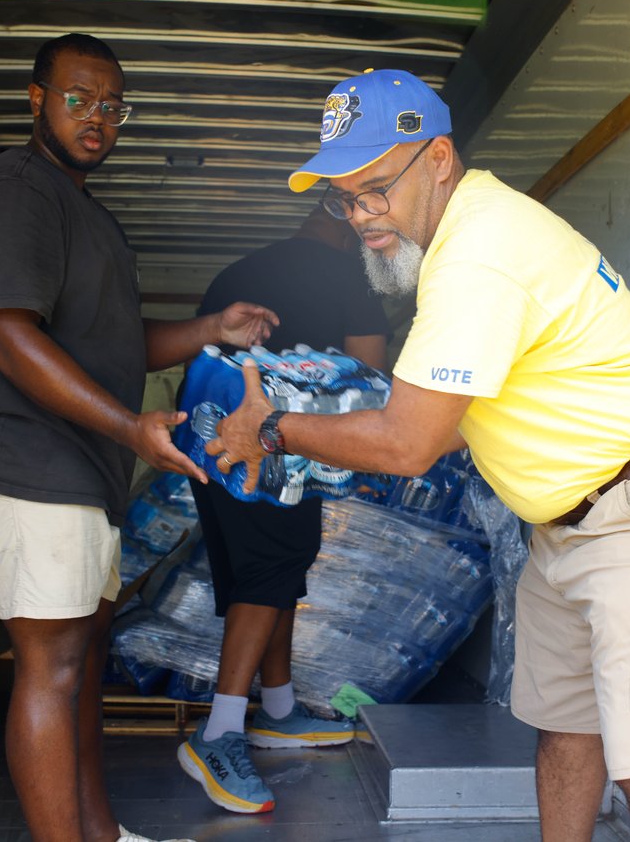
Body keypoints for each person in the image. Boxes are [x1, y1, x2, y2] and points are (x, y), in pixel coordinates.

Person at [206, 69, 630, 842]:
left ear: (437, 159)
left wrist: (275, 432)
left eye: (376, 188)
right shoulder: (463, 242)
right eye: (345, 197)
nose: (364, 216)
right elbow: (451, 421)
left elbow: (410, 442)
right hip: (573, 524)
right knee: (565, 733)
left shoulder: (478, 254)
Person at [0, 33, 277, 842]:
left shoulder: (81, 210)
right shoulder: (12, 195)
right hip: (18, 465)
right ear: (35, 98)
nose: (97, 118)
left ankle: (101, 833)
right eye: (78, 98)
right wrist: (130, 425)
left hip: (73, 475)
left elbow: (113, 345)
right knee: (52, 671)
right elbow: (8, 336)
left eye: (112, 106)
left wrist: (211, 329)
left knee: (78, 665)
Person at [176, 206, 390, 814]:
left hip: (209, 438)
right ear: (347, 226)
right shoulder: (355, 278)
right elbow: (370, 378)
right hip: (273, 446)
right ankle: (218, 734)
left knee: (271, 568)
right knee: (274, 566)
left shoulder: (236, 274)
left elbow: (197, 358)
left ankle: (276, 709)